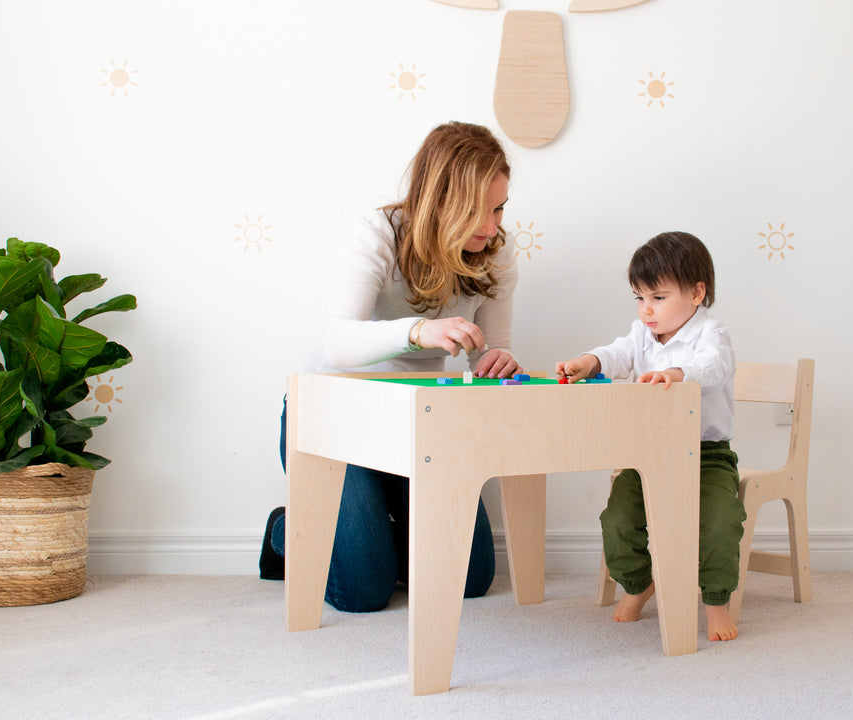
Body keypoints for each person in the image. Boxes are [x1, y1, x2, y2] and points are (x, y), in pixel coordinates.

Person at [260, 121, 523, 612]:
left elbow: (488, 353)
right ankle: (286, 527)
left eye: (499, 207)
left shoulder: (497, 251)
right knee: (363, 592)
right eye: (476, 211)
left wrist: (496, 361)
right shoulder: (377, 232)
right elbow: (335, 341)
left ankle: (372, 528)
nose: (491, 226)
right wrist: (417, 330)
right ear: (439, 200)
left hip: (418, 423)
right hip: (336, 417)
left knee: (469, 578)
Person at [555, 231, 745, 641]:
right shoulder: (642, 334)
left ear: (696, 293)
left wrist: (676, 373)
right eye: (640, 298)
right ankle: (639, 586)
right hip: (648, 454)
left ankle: (715, 601)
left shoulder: (711, 335)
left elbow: (713, 367)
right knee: (618, 520)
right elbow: (617, 353)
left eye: (658, 297)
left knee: (718, 524)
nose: (646, 310)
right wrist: (589, 361)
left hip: (706, 454)